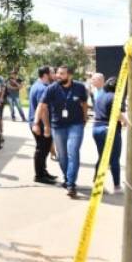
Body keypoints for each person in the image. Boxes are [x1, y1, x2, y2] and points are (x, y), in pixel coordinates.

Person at [35, 65, 88, 198]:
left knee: (73, 152)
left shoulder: (80, 87)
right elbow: (42, 106)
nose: (58, 76)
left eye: (62, 74)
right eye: (57, 73)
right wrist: (38, 124)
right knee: (62, 155)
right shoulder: (51, 88)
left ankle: (71, 183)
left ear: (70, 76)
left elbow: (84, 103)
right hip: (57, 126)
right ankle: (67, 177)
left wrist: (84, 117)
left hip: (75, 125)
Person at [92, 77, 124, 193]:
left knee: (102, 157)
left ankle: (96, 184)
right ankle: (117, 186)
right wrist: (128, 122)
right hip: (110, 129)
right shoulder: (115, 97)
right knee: (114, 159)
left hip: (96, 128)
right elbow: (118, 114)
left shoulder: (100, 96)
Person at [29, 66, 57, 184]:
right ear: (46, 75)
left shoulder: (38, 85)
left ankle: (43, 171)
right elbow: (44, 110)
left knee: (44, 150)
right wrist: (46, 126)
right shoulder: (42, 88)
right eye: (52, 73)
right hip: (41, 124)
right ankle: (39, 175)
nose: (55, 75)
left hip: (39, 123)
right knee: (41, 150)